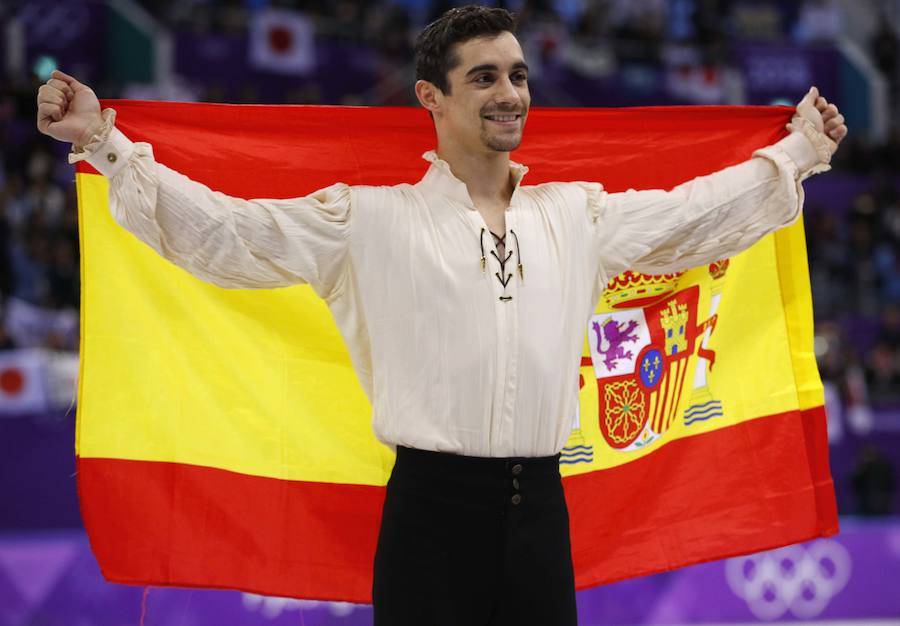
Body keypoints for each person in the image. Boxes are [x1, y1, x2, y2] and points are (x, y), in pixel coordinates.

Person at [36, 5, 847, 626]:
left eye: (519, 75)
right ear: (431, 96)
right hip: (428, 515)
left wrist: (799, 152)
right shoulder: (366, 219)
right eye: (485, 77)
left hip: (542, 519)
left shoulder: (578, 215)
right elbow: (226, 232)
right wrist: (106, 145)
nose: (509, 93)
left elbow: (693, 214)